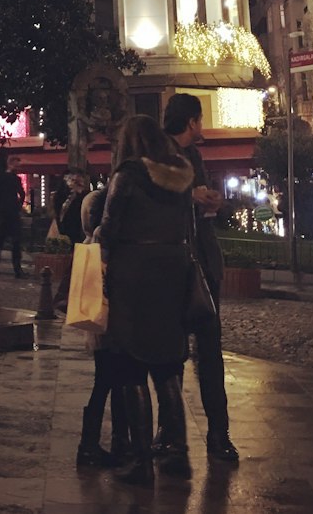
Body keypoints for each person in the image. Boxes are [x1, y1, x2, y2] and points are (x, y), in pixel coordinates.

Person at [99, 113, 195, 486]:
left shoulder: (128, 176)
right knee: (168, 364)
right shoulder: (181, 177)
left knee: (131, 365)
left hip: (134, 274)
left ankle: (141, 462)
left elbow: (109, 228)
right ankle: (178, 453)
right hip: (172, 272)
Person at [161, 91, 239, 464]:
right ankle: (171, 431)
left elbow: (197, 206)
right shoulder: (158, 158)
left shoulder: (194, 156)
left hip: (203, 265)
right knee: (170, 354)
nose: (202, 127)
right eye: (200, 120)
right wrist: (189, 196)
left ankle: (218, 432)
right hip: (174, 267)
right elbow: (159, 204)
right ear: (190, 121)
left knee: (209, 353)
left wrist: (210, 204)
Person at [74, 187, 128, 469]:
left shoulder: (88, 244)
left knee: (108, 382)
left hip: (98, 328)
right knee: (109, 383)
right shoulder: (101, 245)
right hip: (108, 326)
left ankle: (96, 444)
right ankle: (90, 445)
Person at [51, 171, 90, 310]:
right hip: (76, 233)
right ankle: (63, 297)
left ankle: (64, 297)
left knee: (76, 264)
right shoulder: (65, 197)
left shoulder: (81, 196)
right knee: (75, 265)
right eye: (72, 180)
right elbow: (61, 215)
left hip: (80, 233)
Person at [0, 156, 26, 277]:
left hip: (9, 213)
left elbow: (21, 193)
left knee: (14, 242)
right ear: (10, 164)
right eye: (16, 165)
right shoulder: (3, 178)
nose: (18, 168)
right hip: (5, 213)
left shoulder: (11, 178)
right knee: (1, 241)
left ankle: (16, 268)